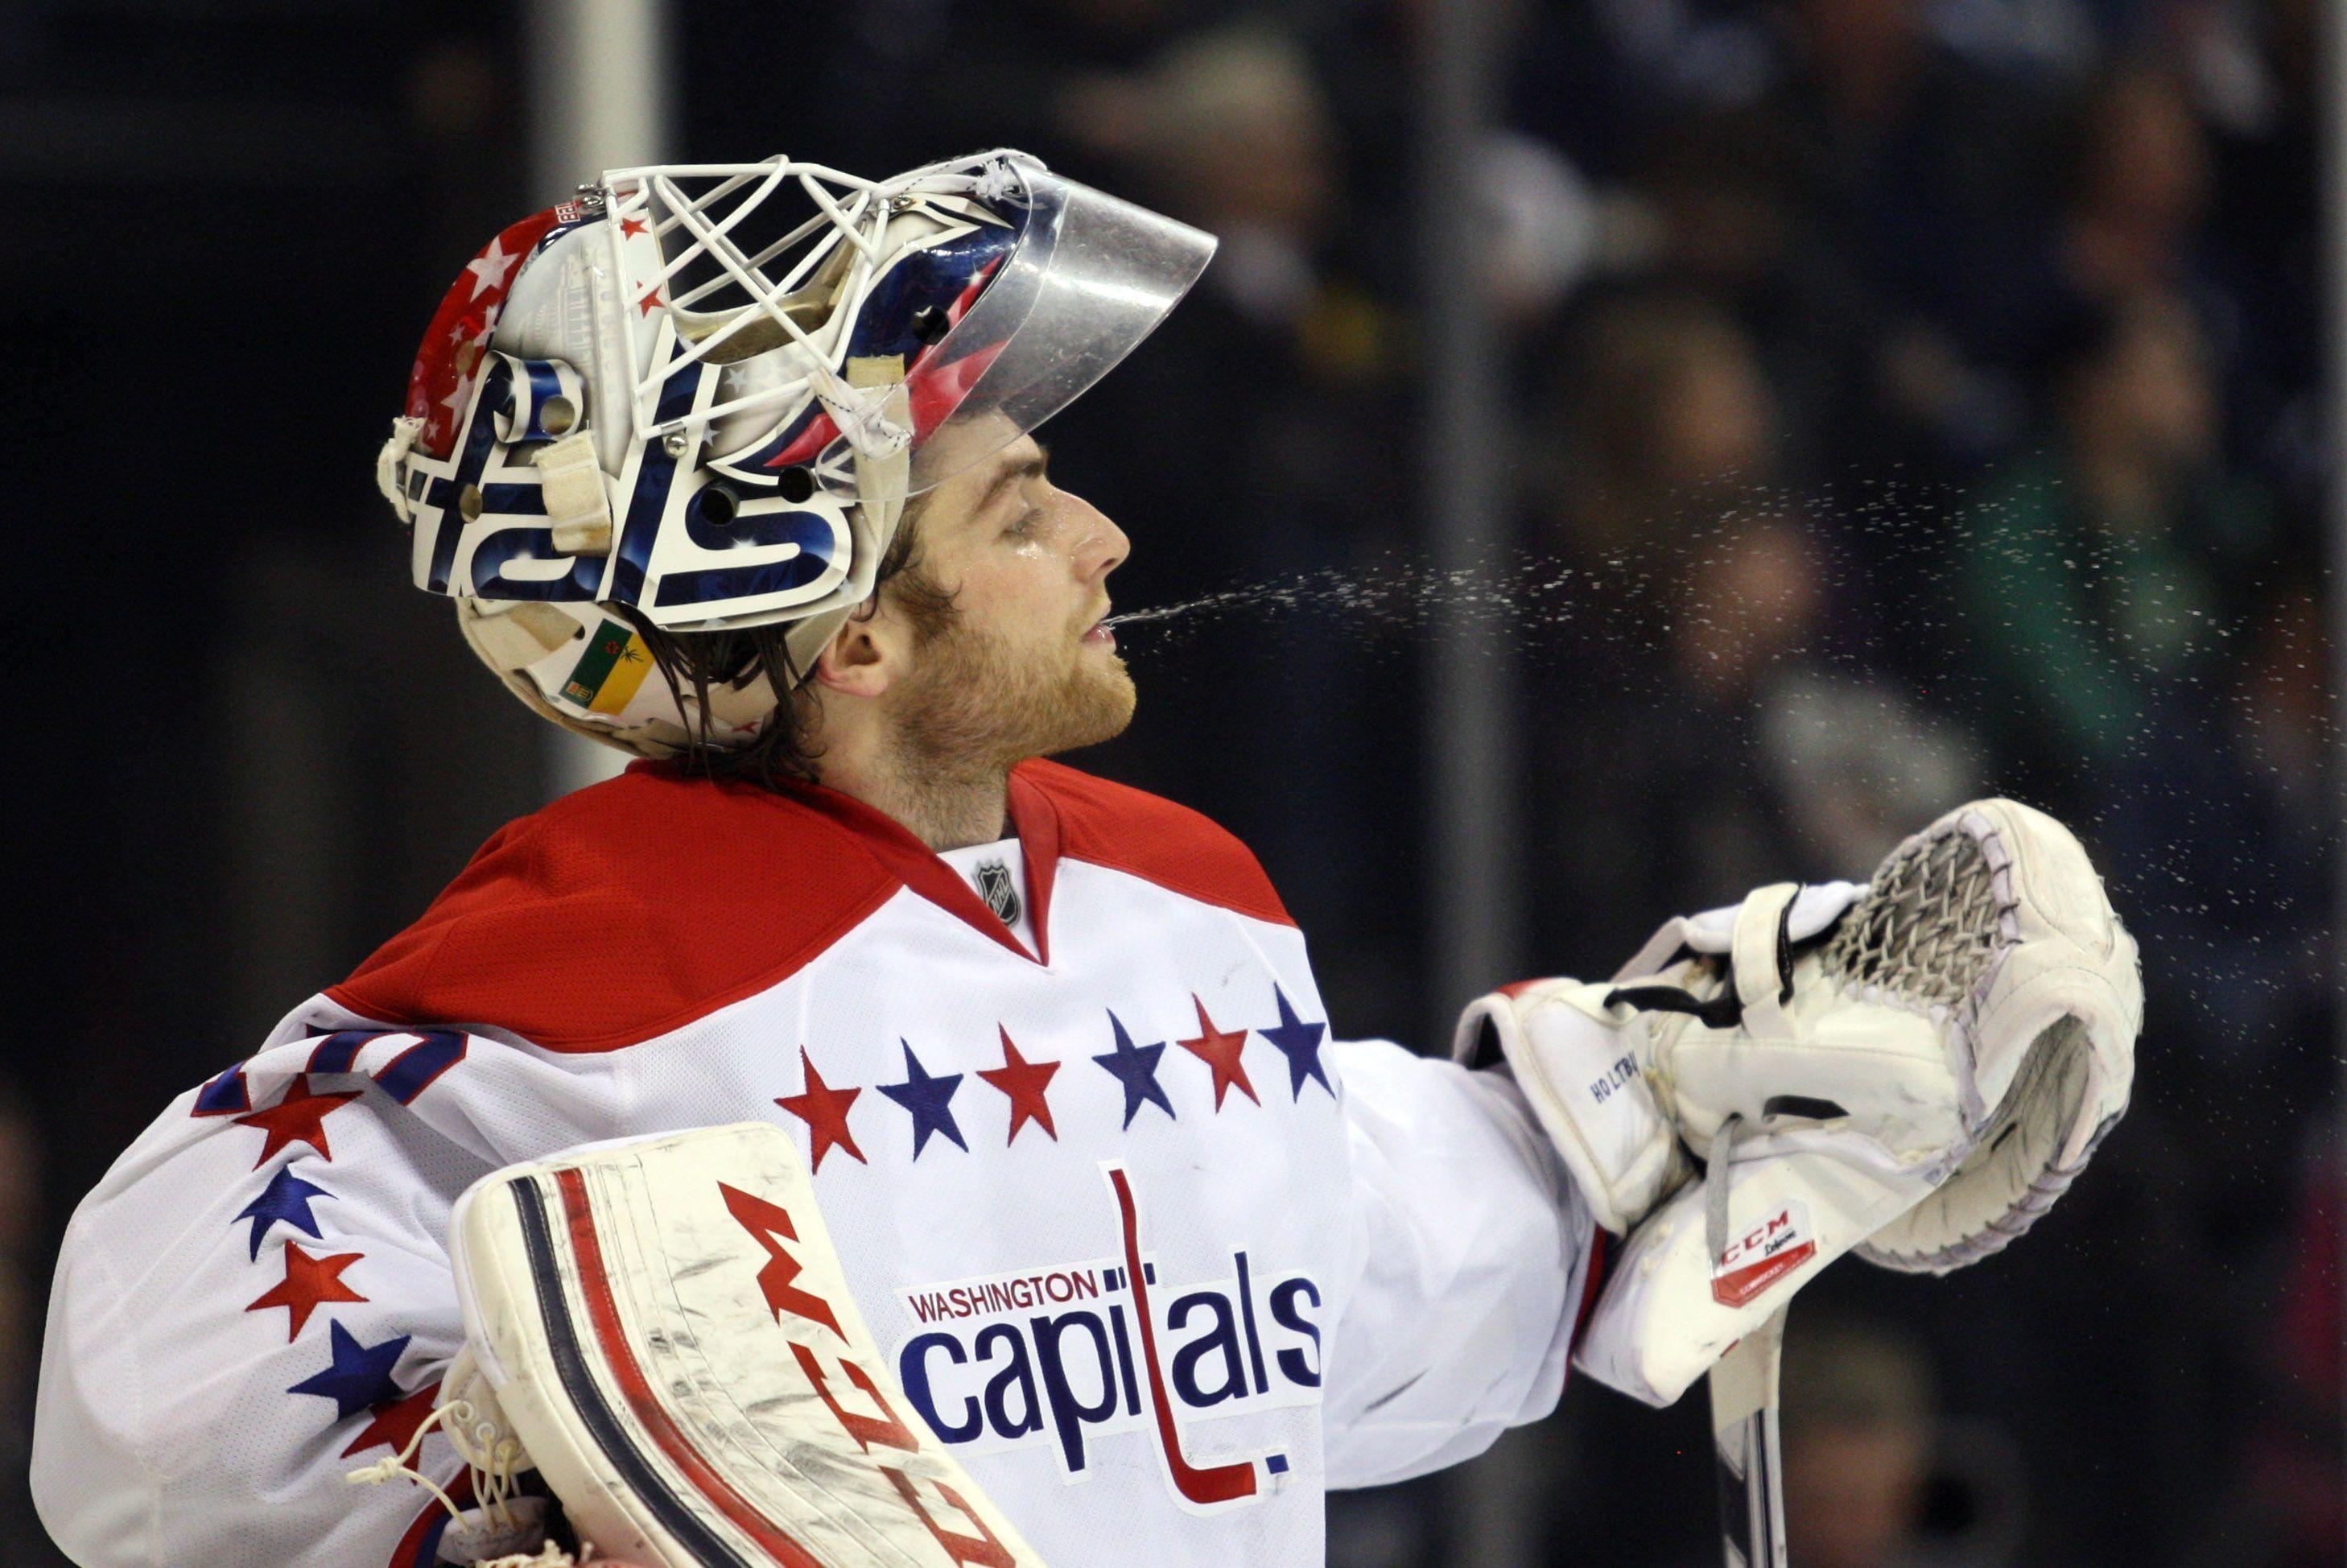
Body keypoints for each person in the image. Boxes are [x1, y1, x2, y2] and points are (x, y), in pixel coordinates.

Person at [28, 151, 2132, 1568]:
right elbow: (160, 1375)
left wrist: (1651, 1109)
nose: (1104, 542)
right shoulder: (568, 981)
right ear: (844, 629)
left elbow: (1306, 1297)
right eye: (1021, 511)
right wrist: (477, 1469)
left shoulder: (1173, 890)